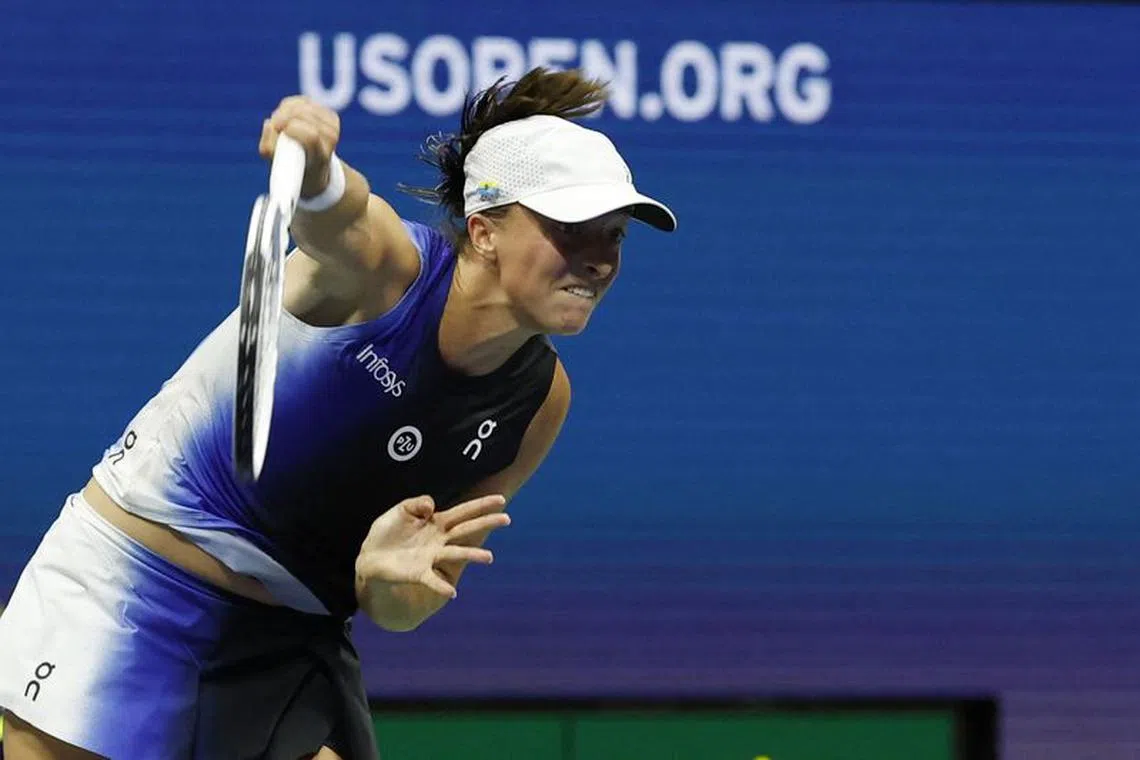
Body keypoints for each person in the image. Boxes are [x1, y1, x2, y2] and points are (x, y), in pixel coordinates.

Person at [0, 67, 676, 759]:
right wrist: (315, 166)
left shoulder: (538, 402)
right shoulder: (386, 272)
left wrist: (387, 586)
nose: (599, 260)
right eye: (571, 229)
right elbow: (339, 217)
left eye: (614, 236)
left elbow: (405, 601)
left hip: (290, 643)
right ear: (483, 231)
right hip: (131, 591)